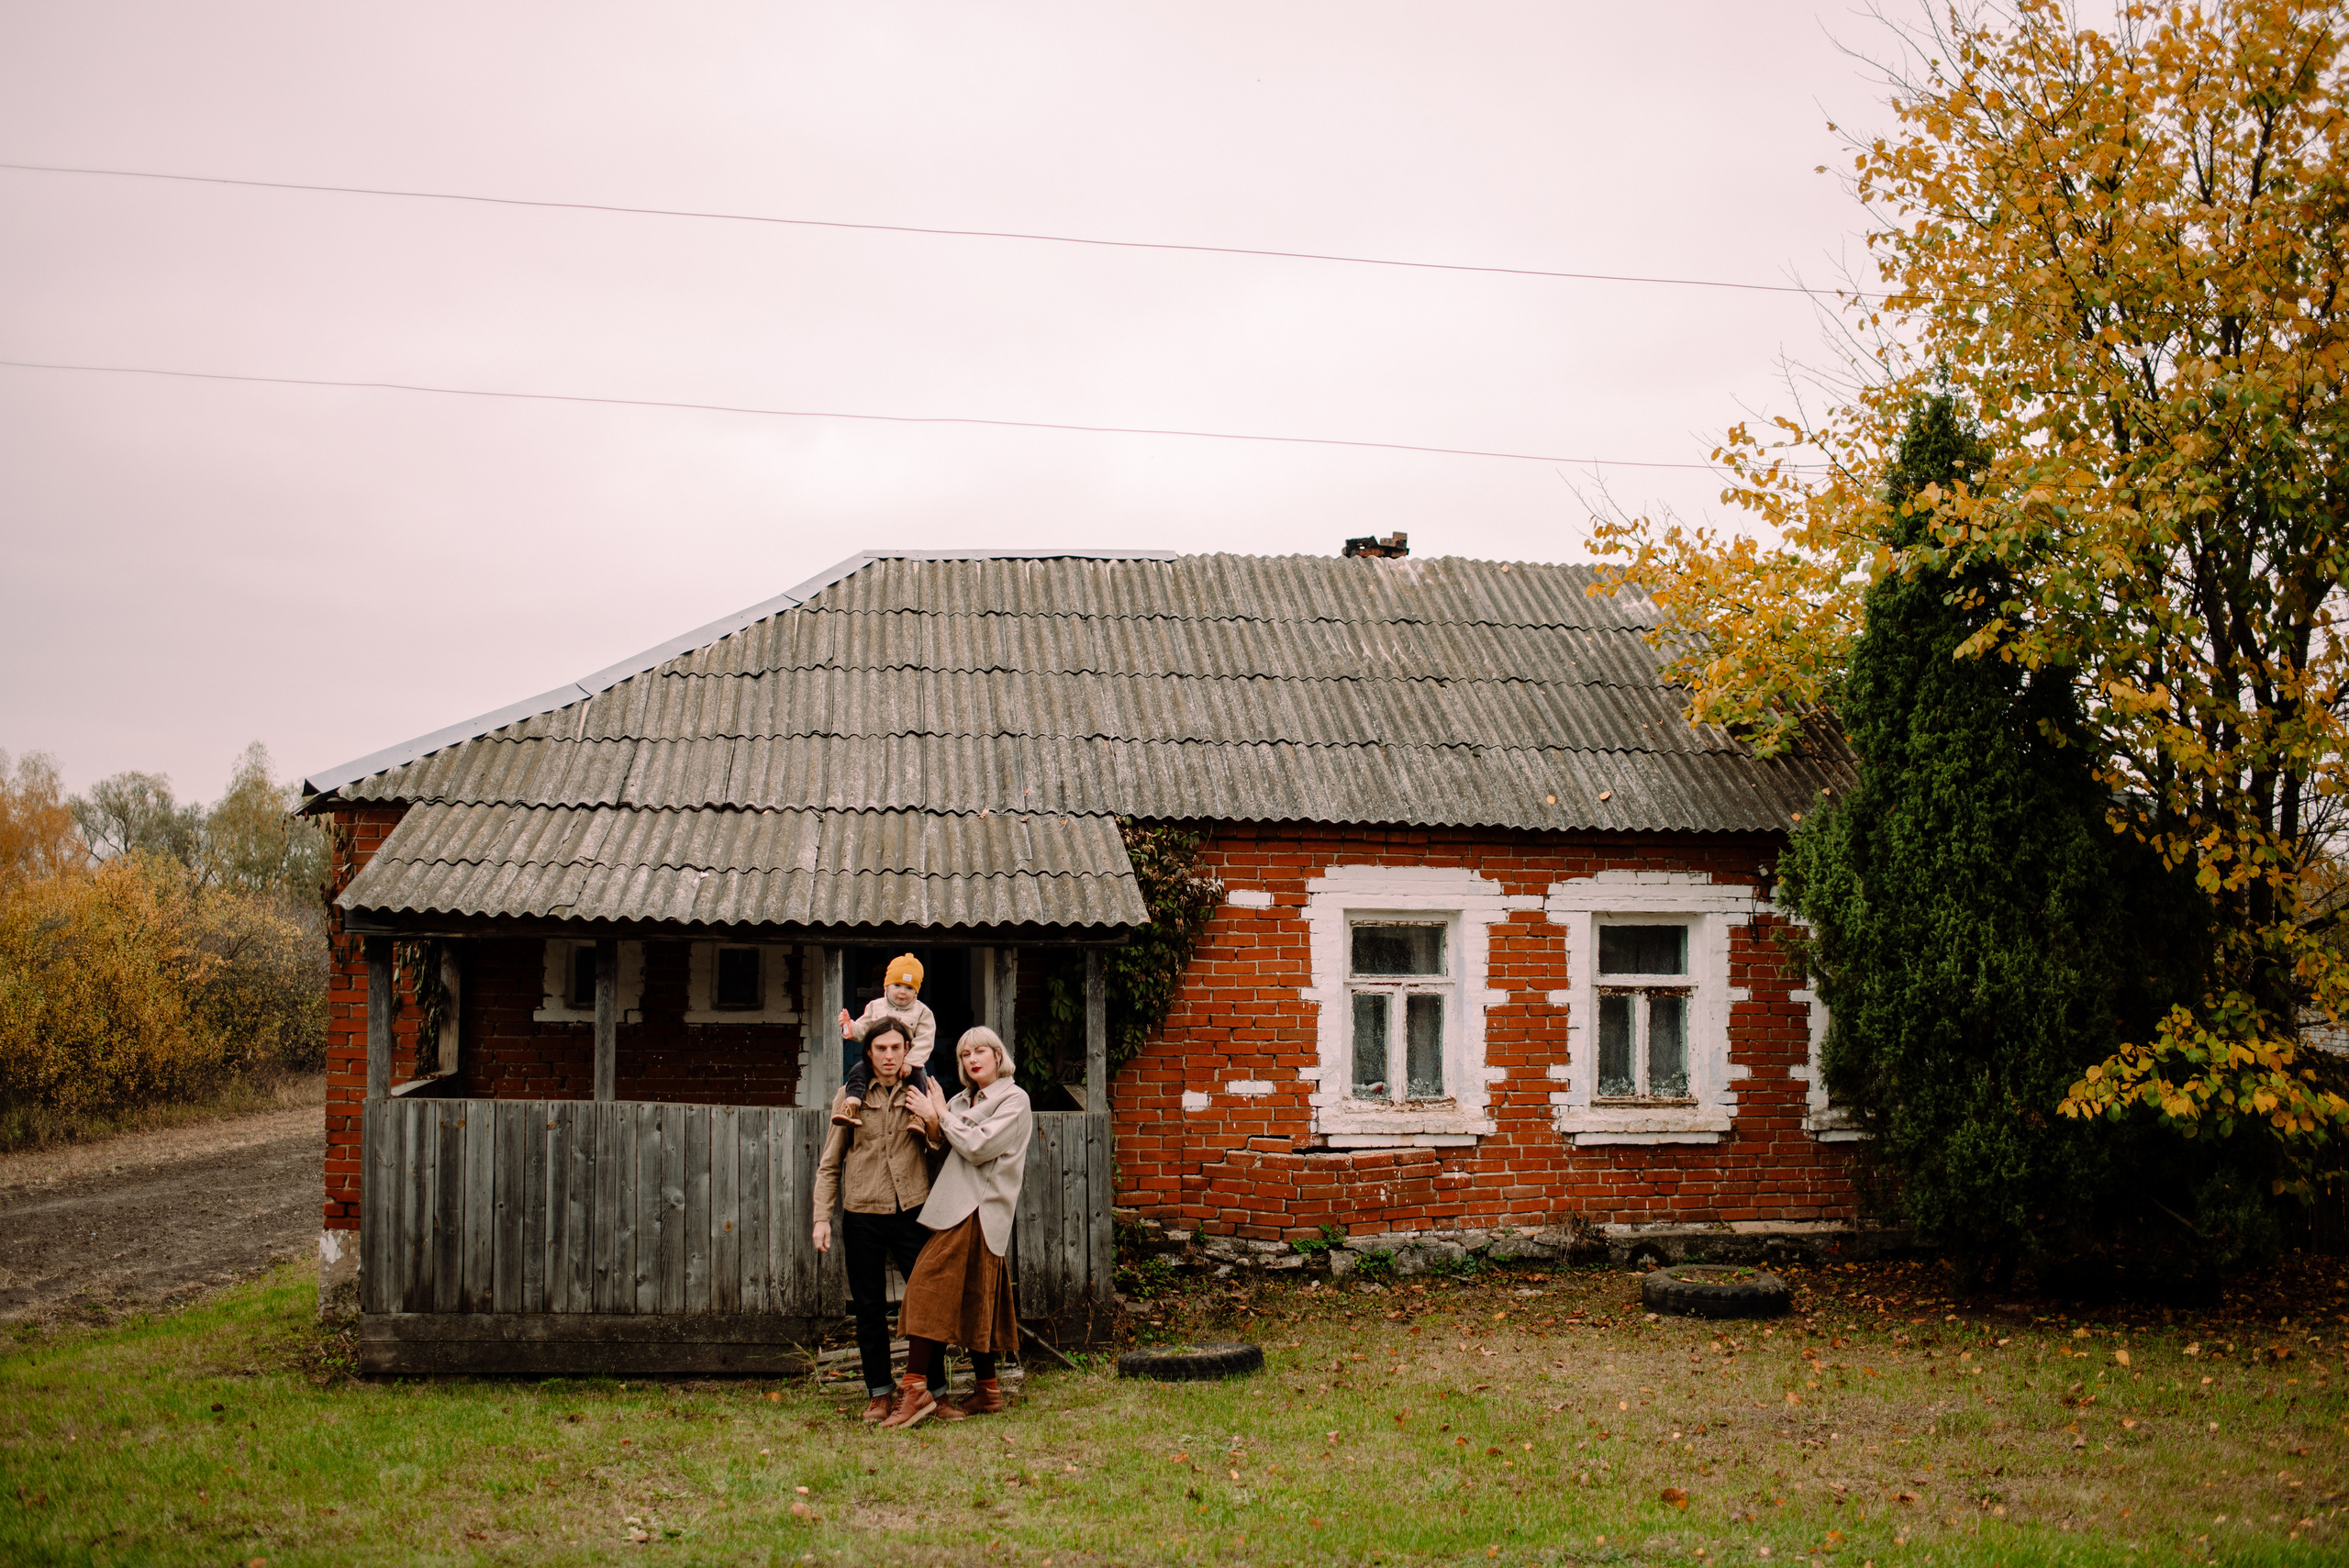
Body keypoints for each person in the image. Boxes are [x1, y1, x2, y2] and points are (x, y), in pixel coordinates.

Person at [877, 1025, 1033, 1429]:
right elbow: (943, 1144)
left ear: (999, 1056)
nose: (973, 1059)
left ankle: (914, 1390)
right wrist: (934, 1121)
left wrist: (942, 1116)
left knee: (927, 1287)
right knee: (973, 1296)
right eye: (965, 1054)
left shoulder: (1014, 1099)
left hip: (980, 1208)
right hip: (955, 1206)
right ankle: (988, 1390)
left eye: (981, 1051)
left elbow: (979, 1147)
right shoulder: (963, 1100)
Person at [810, 1016, 949, 1421]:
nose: (889, 1055)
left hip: (912, 1211)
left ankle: (932, 1391)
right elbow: (830, 1163)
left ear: (908, 1051)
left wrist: (934, 1115)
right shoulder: (849, 1096)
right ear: (868, 1052)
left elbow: (940, 1148)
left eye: (896, 1048)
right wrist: (822, 1218)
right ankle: (879, 1393)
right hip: (862, 1212)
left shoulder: (920, 1090)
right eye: (881, 1048)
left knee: (927, 1301)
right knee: (869, 1307)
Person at [833, 952, 938, 1127]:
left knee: (920, 1080)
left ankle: (917, 1117)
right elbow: (865, 1030)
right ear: (886, 986)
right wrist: (850, 1027)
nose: (902, 992)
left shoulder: (922, 1012)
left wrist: (910, 1062)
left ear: (916, 992)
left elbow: (925, 1041)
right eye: (897, 985)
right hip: (877, 1060)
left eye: (909, 988)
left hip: (907, 1061)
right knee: (858, 1071)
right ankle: (851, 1105)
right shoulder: (875, 1006)